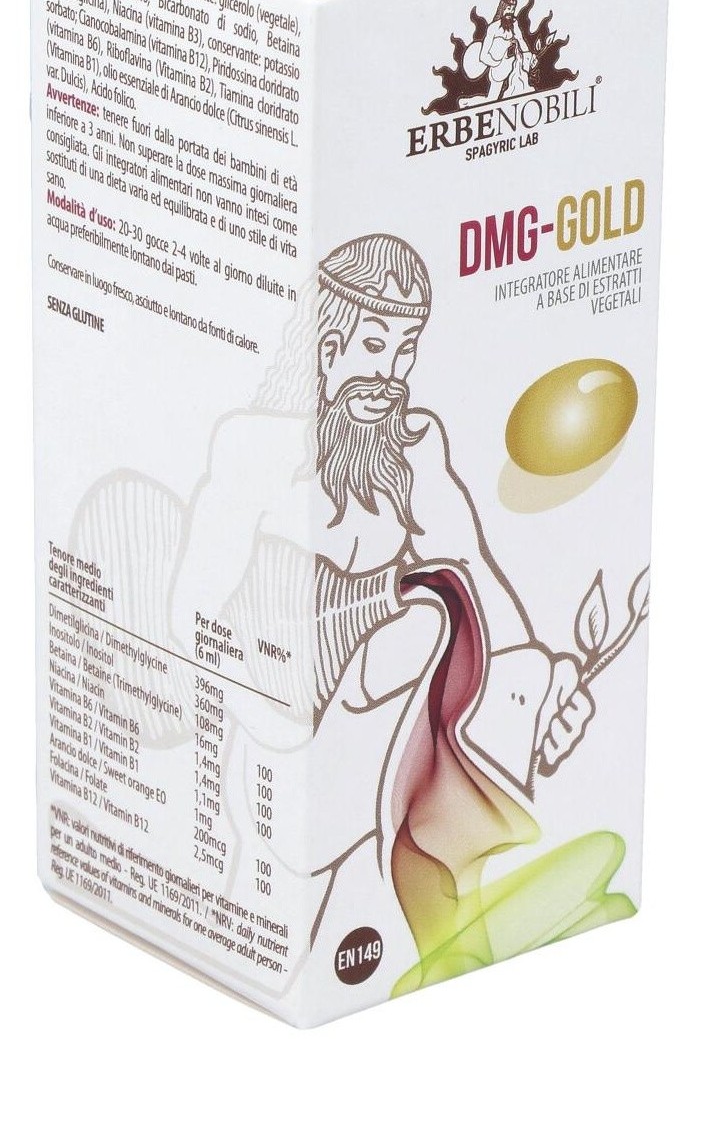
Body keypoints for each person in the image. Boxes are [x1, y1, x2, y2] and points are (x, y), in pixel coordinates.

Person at [167, 233, 595, 974]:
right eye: (373, 346)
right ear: (327, 347)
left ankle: (452, 937)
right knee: (273, 943)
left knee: (455, 633)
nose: (389, 376)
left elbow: (475, 574)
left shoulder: (412, 452)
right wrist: (267, 693)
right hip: (275, 743)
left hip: (382, 745)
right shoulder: (254, 452)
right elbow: (192, 611)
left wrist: (541, 684)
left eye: (405, 351)